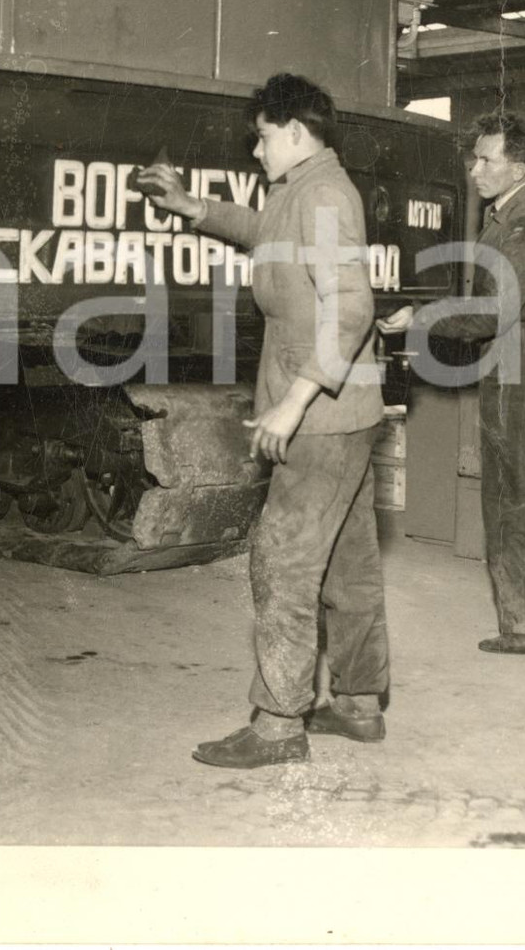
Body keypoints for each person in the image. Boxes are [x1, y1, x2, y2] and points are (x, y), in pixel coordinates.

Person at [138, 72, 388, 769]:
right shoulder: (298, 189)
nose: (256, 150)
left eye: (263, 136)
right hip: (346, 406)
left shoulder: (328, 195)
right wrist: (192, 204)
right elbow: (264, 232)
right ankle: (361, 701)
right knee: (347, 557)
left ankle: (279, 721)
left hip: (323, 412)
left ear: (297, 134)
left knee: (282, 557)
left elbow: (354, 308)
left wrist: (294, 399)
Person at [378, 110, 525, 656]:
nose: (475, 167)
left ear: (518, 165)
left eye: (487, 158)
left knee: (517, 489)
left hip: (523, 356)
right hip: (522, 349)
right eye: (475, 156)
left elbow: (493, 309)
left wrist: (421, 316)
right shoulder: (508, 211)